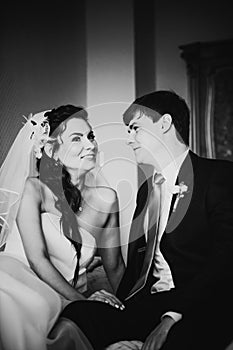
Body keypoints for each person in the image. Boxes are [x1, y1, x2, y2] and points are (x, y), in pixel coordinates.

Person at [61, 90, 233, 350]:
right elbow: (140, 263)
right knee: (78, 315)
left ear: (164, 123)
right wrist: (117, 300)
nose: (128, 139)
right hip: (150, 303)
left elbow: (225, 259)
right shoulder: (146, 190)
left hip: (200, 305)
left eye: (135, 128)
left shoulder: (219, 176)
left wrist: (171, 317)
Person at [0, 105, 125, 350]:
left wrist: (131, 308)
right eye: (77, 138)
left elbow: (115, 266)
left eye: (91, 136)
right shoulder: (34, 190)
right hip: (17, 282)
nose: (90, 145)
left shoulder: (106, 200)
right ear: (50, 150)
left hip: (65, 298)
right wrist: (82, 301)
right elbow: (38, 259)